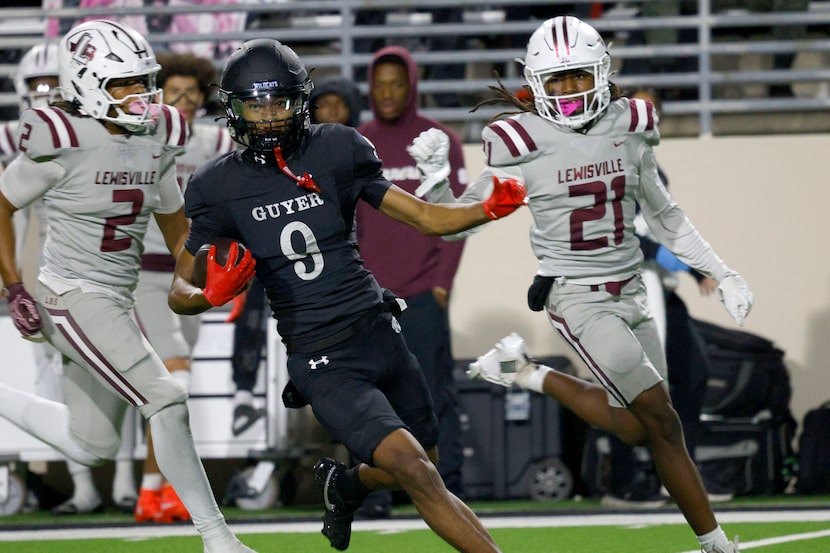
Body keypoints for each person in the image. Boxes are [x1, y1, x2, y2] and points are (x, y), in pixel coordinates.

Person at [167, 38, 526, 553]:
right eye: (255, 104)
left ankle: (347, 483)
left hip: (378, 331)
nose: (268, 117)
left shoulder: (336, 147)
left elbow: (426, 216)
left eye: (279, 102)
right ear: (234, 107)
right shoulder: (217, 184)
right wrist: (207, 296)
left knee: (423, 458)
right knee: (416, 470)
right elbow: (180, 288)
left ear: (300, 101)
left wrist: (484, 210)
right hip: (320, 356)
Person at [413, 16, 752, 553]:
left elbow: (665, 216)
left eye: (577, 76)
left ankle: (525, 373)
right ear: (536, 82)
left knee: (642, 428)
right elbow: (458, 222)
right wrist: (437, 187)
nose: (569, 89)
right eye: (558, 79)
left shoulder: (630, 123)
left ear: (601, 71)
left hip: (633, 291)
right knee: (664, 420)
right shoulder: (520, 141)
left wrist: (721, 268)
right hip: (576, 296)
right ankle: (716, 544)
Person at [0, 19, 256, 553]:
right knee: (167, 399)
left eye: (142, 80)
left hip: (114, 294)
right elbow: (1, 203)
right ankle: (218, 539)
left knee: (89, 444)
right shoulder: (61, 139)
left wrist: (209, 271)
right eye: (123, 83)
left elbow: (176, 228)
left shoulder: (155, 138)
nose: (138, 94)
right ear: (84, 83)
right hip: (69, 293)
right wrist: (14, 286)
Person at [1, 41, 139, 516]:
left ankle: (124, 478)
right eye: (36, 86)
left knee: (124, 373)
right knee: (59, 381)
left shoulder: (96, 130)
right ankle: (85, 486)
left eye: (51, 85)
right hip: (41, 264)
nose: (44, 94)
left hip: (100, 265)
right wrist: (12, 278)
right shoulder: (25, 135)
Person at [355, 45, 467, 517]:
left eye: (395, 84)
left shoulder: (439, 141)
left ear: (412, 85)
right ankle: (374, 494)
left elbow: (457, 218)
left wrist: (441, 284)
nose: (386, 93)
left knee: (432, 394)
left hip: (422, 295)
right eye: (379, 85)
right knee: (366, 400)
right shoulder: (355, 143)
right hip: (367, 300)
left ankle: (451, 490)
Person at [224, 74, 364, 438]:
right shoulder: (277, 155)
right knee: (252, 309)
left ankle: (313, 375)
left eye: (340, 105)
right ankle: (246, 392)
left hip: (336, 271)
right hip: (279, 263)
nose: (332, 112)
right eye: (326, 104)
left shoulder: (347, 149)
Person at [132, 51, 235, 523]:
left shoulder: (216, 142)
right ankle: (167, 487)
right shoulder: (140, 139)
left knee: (171, 389)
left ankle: (151, 491)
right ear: (158, 95)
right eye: (174, 91)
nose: (183, 100)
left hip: (193, 273)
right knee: (177, 378)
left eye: (191, 92)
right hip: (146, 274)